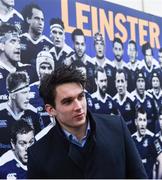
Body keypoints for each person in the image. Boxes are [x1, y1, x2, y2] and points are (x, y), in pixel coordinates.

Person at [27, 65, 147, 178]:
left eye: (81, 96)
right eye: (68, 101)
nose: (78, 106)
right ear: (51, 110)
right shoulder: (38, 154)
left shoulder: (117, 127)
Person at [0, 71, 42, 156]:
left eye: (28, 92)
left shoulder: (33, 113)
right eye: (24, 93)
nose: (28, 97)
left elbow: (40, 145)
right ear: (12, 94)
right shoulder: (1, 112)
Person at [0, 23, 36, 103]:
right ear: (1, 45)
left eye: (19, 42)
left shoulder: (30, 70)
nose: (19, 46)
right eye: (13, 41)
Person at [132, 107, 162, 178]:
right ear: (136, 122)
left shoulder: (153, 138)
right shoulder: (131, 139)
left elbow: (161, 160)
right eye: (140, 120)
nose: (142, 123)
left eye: (144, 120)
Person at [29, 50, 55, 128]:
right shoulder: (29, 90)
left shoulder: (60, 90)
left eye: (49, 68)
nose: (46, 72)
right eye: (43, 67)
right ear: (38, 69)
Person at [65, 28, 95, 93]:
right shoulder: (67, 62)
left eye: (82, 44)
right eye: (77, 44)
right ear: (73, 44)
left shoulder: (91, 64)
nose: (80, 48)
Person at [92, 32, 115, 96]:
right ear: (94, 46)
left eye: (101, 44)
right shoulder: (90, 64)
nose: (99, 47)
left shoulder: (112, 66)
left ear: (104, 46)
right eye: (97, 44)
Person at [113, 69, 136, 133]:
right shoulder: (112, 102)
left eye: (122, 81)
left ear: (126, 83)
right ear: (115, 83)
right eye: (118, 81)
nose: (120, 85)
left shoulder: (133, 100)